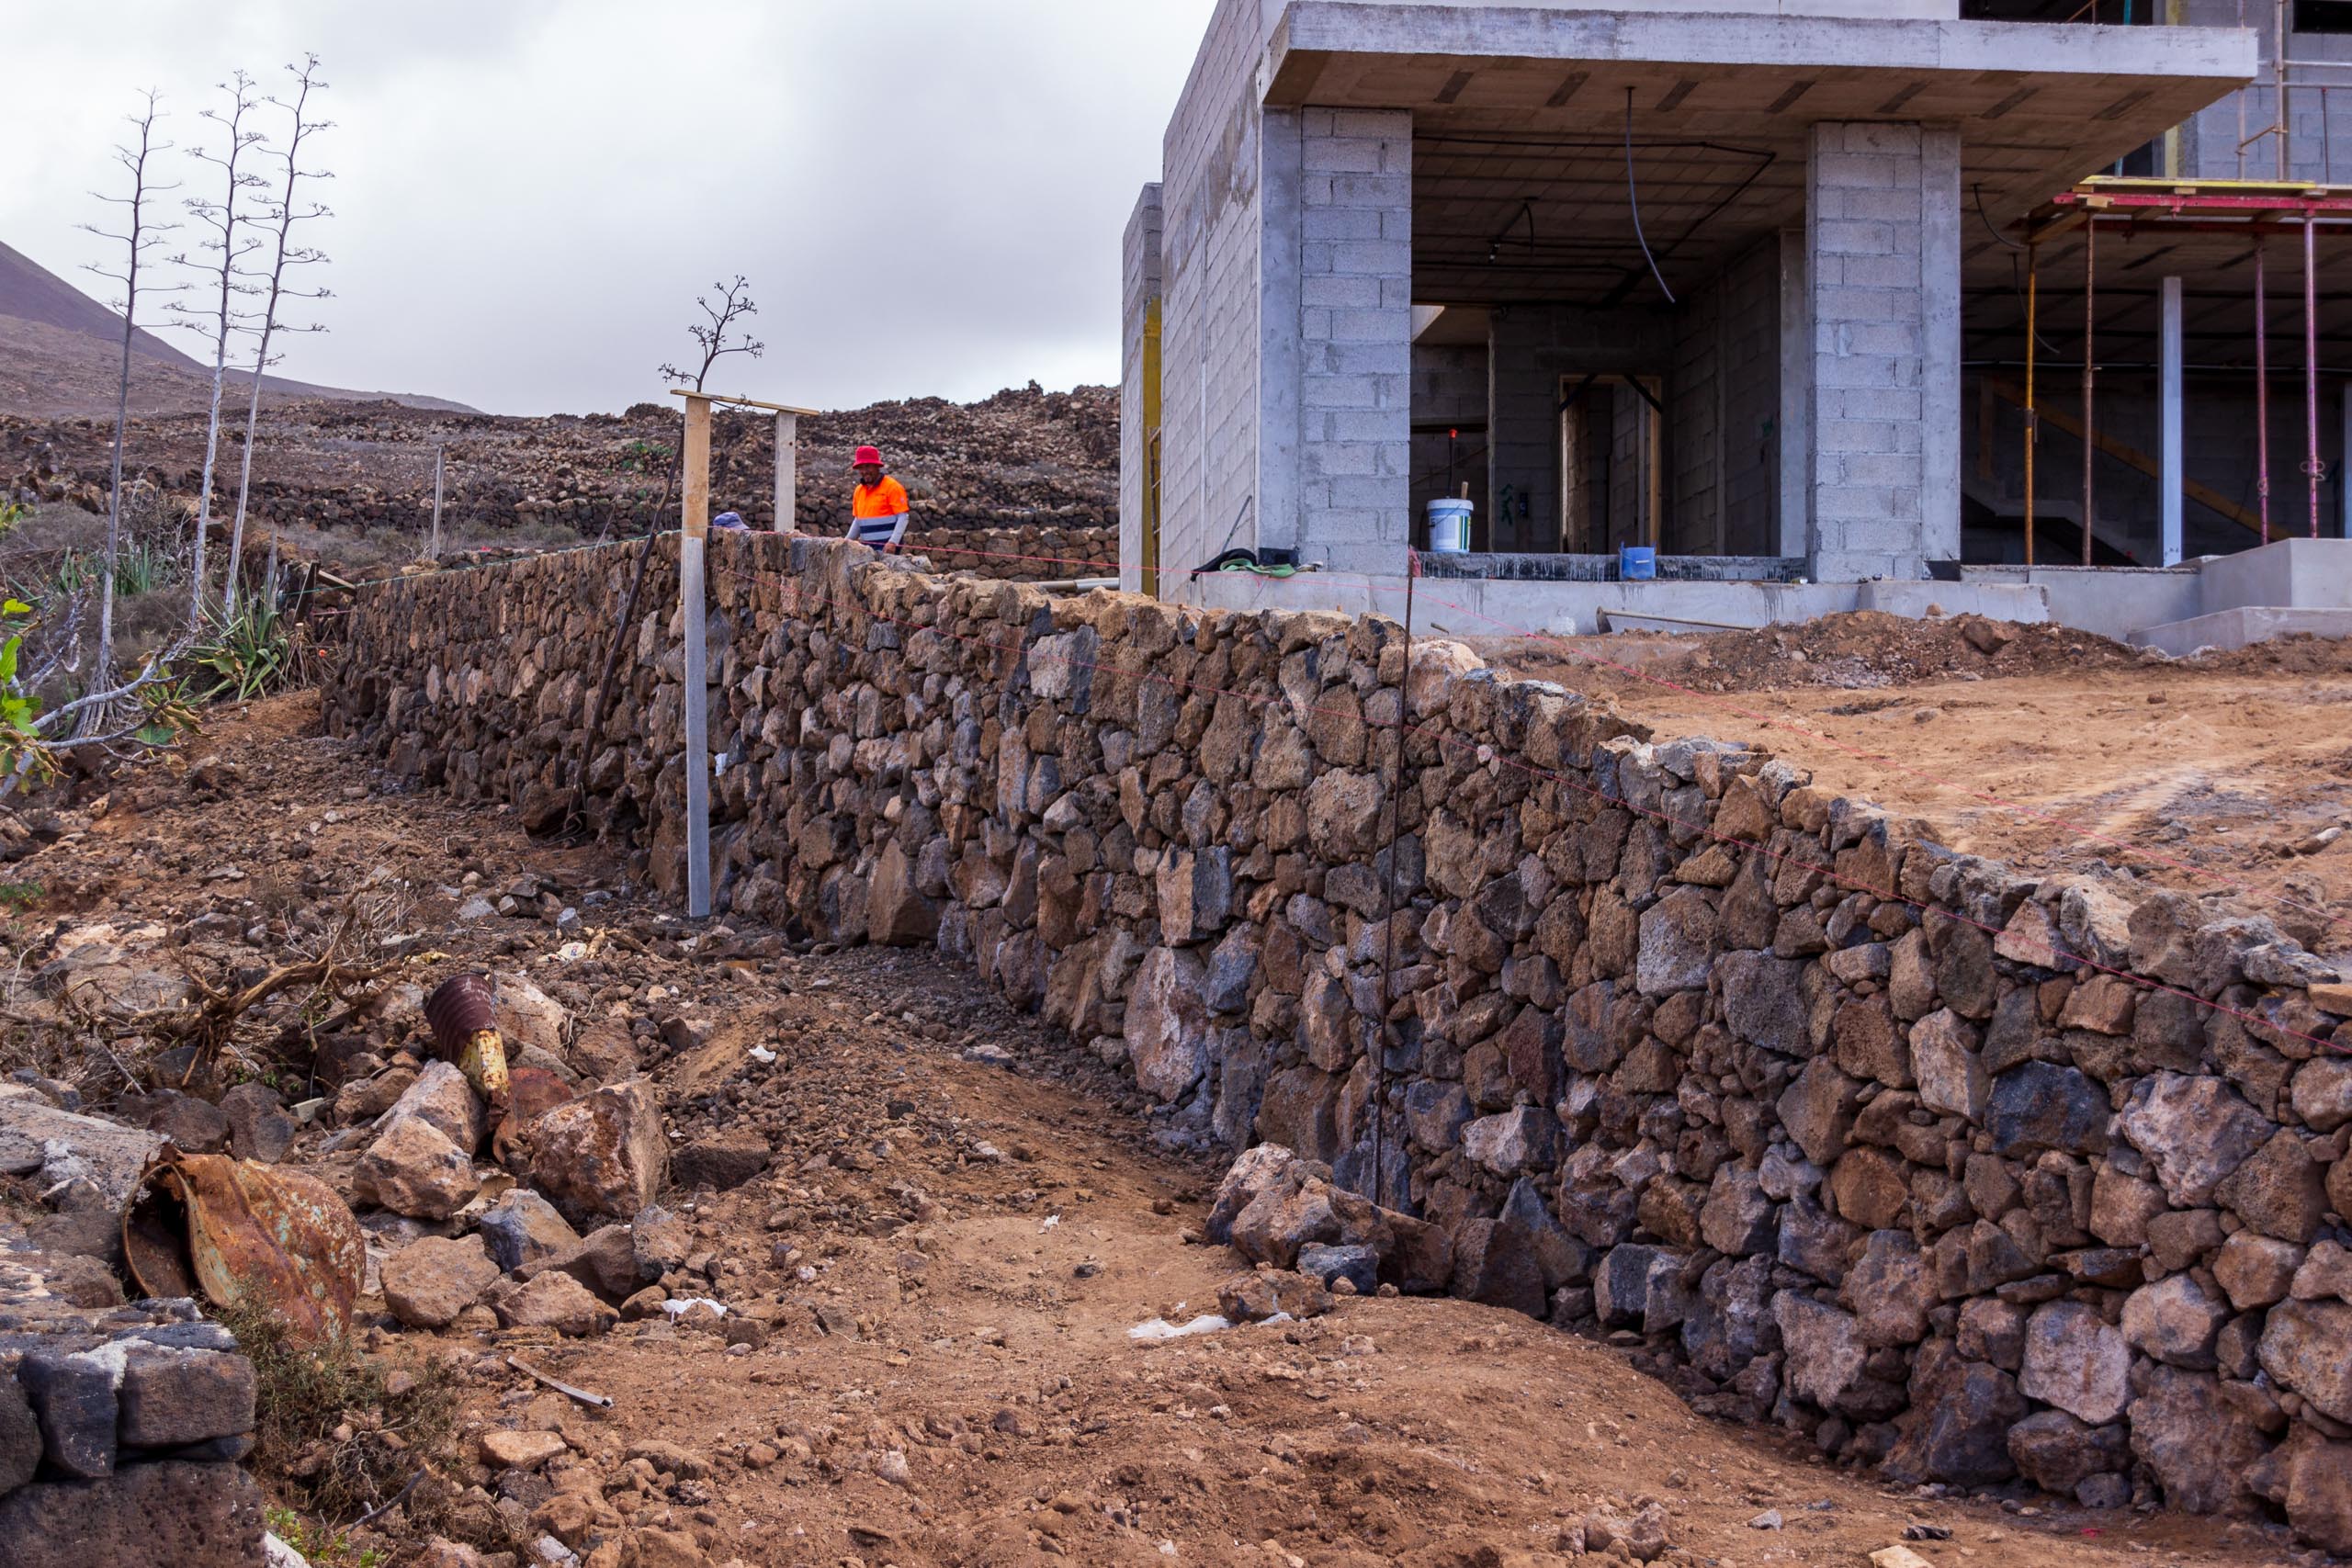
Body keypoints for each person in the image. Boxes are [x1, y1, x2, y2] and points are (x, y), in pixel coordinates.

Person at [845, 445, 910, 552]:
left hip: (888, 551)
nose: (864, 471)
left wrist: (893, 542)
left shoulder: (892, 487)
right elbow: (858, 520)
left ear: (877, 466)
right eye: (861, 467)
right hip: (867, 551)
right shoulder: (858, 491)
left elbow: (903, 517)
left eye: (868, 466)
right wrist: (846, 541)